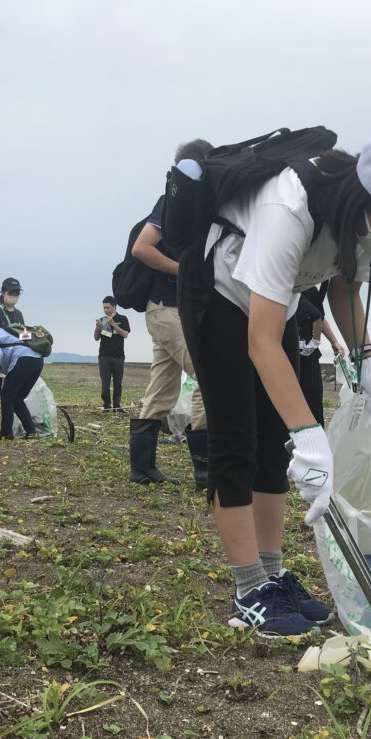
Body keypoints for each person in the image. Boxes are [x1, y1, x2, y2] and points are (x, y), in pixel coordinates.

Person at [177, 121, 371, 636]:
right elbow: (260, 342)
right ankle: (249, 587)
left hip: (279, 302)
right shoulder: (289, 207)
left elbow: (341, 291)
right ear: (369, 197)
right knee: (237, 440)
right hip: (219, 295)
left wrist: (368, 363)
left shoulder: (355, 217)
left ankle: (272, 572)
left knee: (272, 445)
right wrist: (309, 436)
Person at [129, 139, 213, 487]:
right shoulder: (172, 203)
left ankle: (142, 468)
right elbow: (141, 248)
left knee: (161, 389)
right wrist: (186, 272)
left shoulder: (195, 205)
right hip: (167, 310)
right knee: (211, 377)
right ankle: (206, 469)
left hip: (171, 310)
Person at [295, 286, 343, 426]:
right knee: (310, 400)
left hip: (306, 352)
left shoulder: (310, 288)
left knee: (312, 401)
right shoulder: (294, 284)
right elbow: (317, 317)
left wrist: (334, 341)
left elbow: (319, 317)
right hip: (298, 350)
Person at [94, 296, 130, 411]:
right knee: (105, 383)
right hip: (104, 356)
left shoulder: (123, 319)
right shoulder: (102, 319)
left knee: (117, 383)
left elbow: (125, 334)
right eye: (104, 308)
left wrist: (114, 324)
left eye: (108, 307)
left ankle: (117, 406)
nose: (106, 310)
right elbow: (96, 338)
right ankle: (106, 406)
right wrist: (97, 328)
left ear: (114, 307)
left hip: (118, 356)